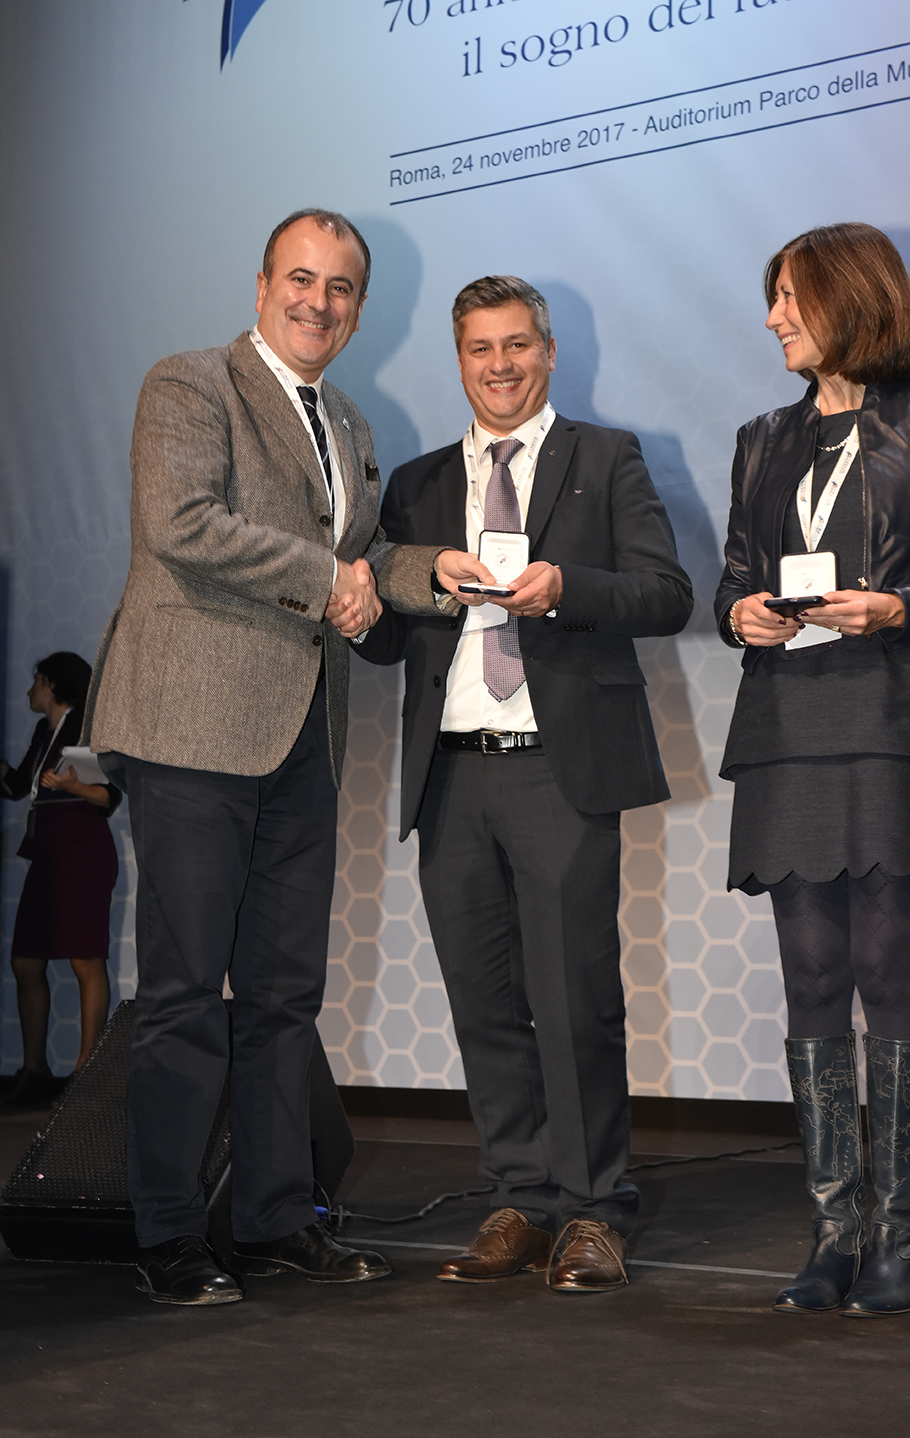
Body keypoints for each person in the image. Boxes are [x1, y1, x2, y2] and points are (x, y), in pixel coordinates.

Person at [84, 210, 488, 1306]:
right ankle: (170, 1232)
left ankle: (272, 1219)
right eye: (301, 279)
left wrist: (430, 569)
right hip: (192, 727)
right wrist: (331, 578)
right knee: (183, 991)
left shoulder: (347, 420)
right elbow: (183, 523)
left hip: (305, 732)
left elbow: (364, 558)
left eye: (340, 287)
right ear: (261, 285)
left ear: (359, 308)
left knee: (282, 995)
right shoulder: (189, 384)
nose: (319, 301)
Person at [367, 276, 692, 1292]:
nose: (500, 365)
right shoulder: (417, 484)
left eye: (517, 345)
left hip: (561, 770)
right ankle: (519, 1197)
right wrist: (372, 590)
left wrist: (565, 589)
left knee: (575, 999)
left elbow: (666, 593)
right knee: (484, 1004)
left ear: (548, 352)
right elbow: (384, 640)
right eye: (481, 348)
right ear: (459, 360)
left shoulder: (608, 457)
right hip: (451, 776)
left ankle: (594, 1209)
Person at [714, 223, 910, 1318]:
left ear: (852, 297)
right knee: (814, 978)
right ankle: (836, 1231)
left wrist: (897, 607)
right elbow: (733, 576)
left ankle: (900, 1234)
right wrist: (740, 611)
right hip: (788, 726)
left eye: (792, 297)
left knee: (891, 973)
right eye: (774, 298)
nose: (775, 317)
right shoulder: (762, 439)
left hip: (888, 721)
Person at [0, 652, 120, 1107]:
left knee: (85, 960)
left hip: (82, 849)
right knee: (26, 961)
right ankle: (34, 1069)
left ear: (51, 684)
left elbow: (108, 797)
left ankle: (84, 1074)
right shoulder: (43, 731)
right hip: (47, 853)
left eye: (36, 681)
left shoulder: (87, 727)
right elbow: (17, 786)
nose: (30, 690)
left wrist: (73, 788)